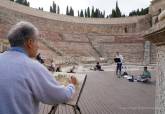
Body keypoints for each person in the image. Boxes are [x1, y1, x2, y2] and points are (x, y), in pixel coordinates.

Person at [0, 21, 77, 114]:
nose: (38, 46)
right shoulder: (32, 66)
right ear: (29, 42)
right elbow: (60, 96)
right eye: (37, 41)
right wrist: (71, 86)